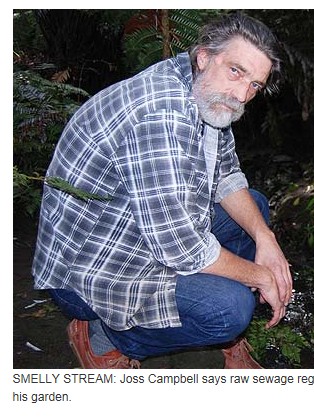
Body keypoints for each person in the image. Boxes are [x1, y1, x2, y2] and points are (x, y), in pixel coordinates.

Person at [31, 12, 292, 369]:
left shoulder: (206, 92)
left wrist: (266, 239)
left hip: (132, 227)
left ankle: (212, 327)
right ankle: (103, 336)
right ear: (204, 56)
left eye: (255, 85)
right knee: (231, 309)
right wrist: (262, 276)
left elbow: (226, 174)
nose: (242, 95)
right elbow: (181, 248)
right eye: (236, 71)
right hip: (86, 270)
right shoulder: (161, 111)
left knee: (254, 210)